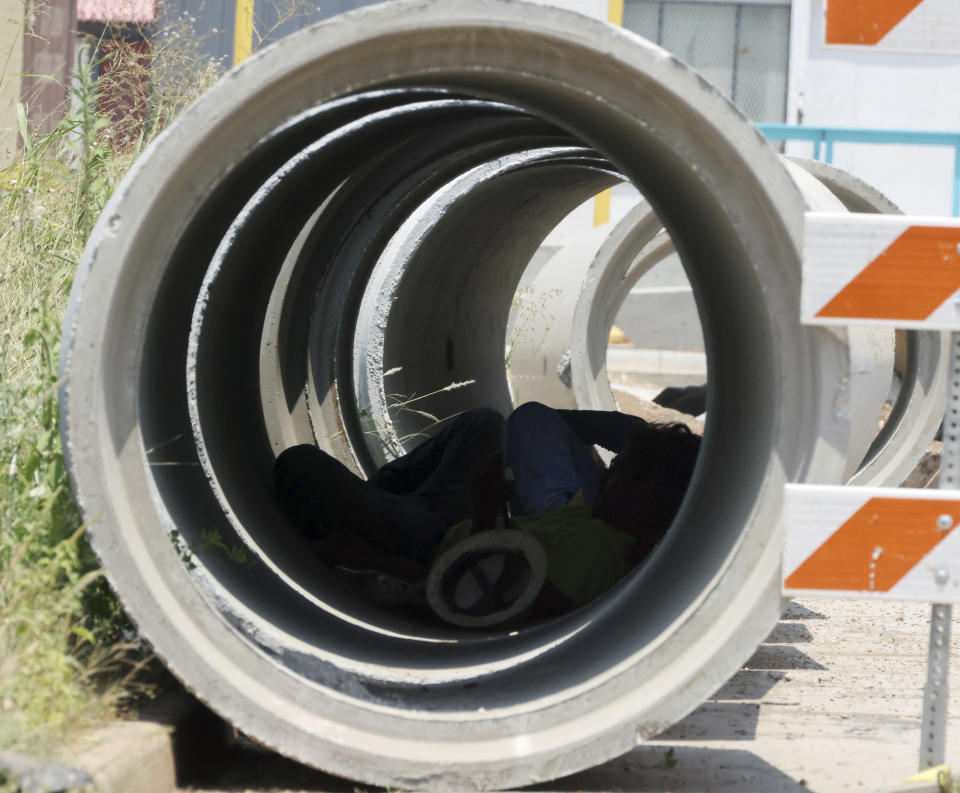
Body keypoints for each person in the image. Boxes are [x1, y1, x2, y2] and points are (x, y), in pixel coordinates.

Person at [273, 402, 700, 619]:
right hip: (454, 522)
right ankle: (380, 501)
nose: (606, 474)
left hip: (428, 547)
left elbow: (482, 601)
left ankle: (375, 510)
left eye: (622, 472)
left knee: (300, 466)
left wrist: (375, 562)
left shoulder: (596, 554)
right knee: (484, 422)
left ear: (651, 497)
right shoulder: (603, 523)